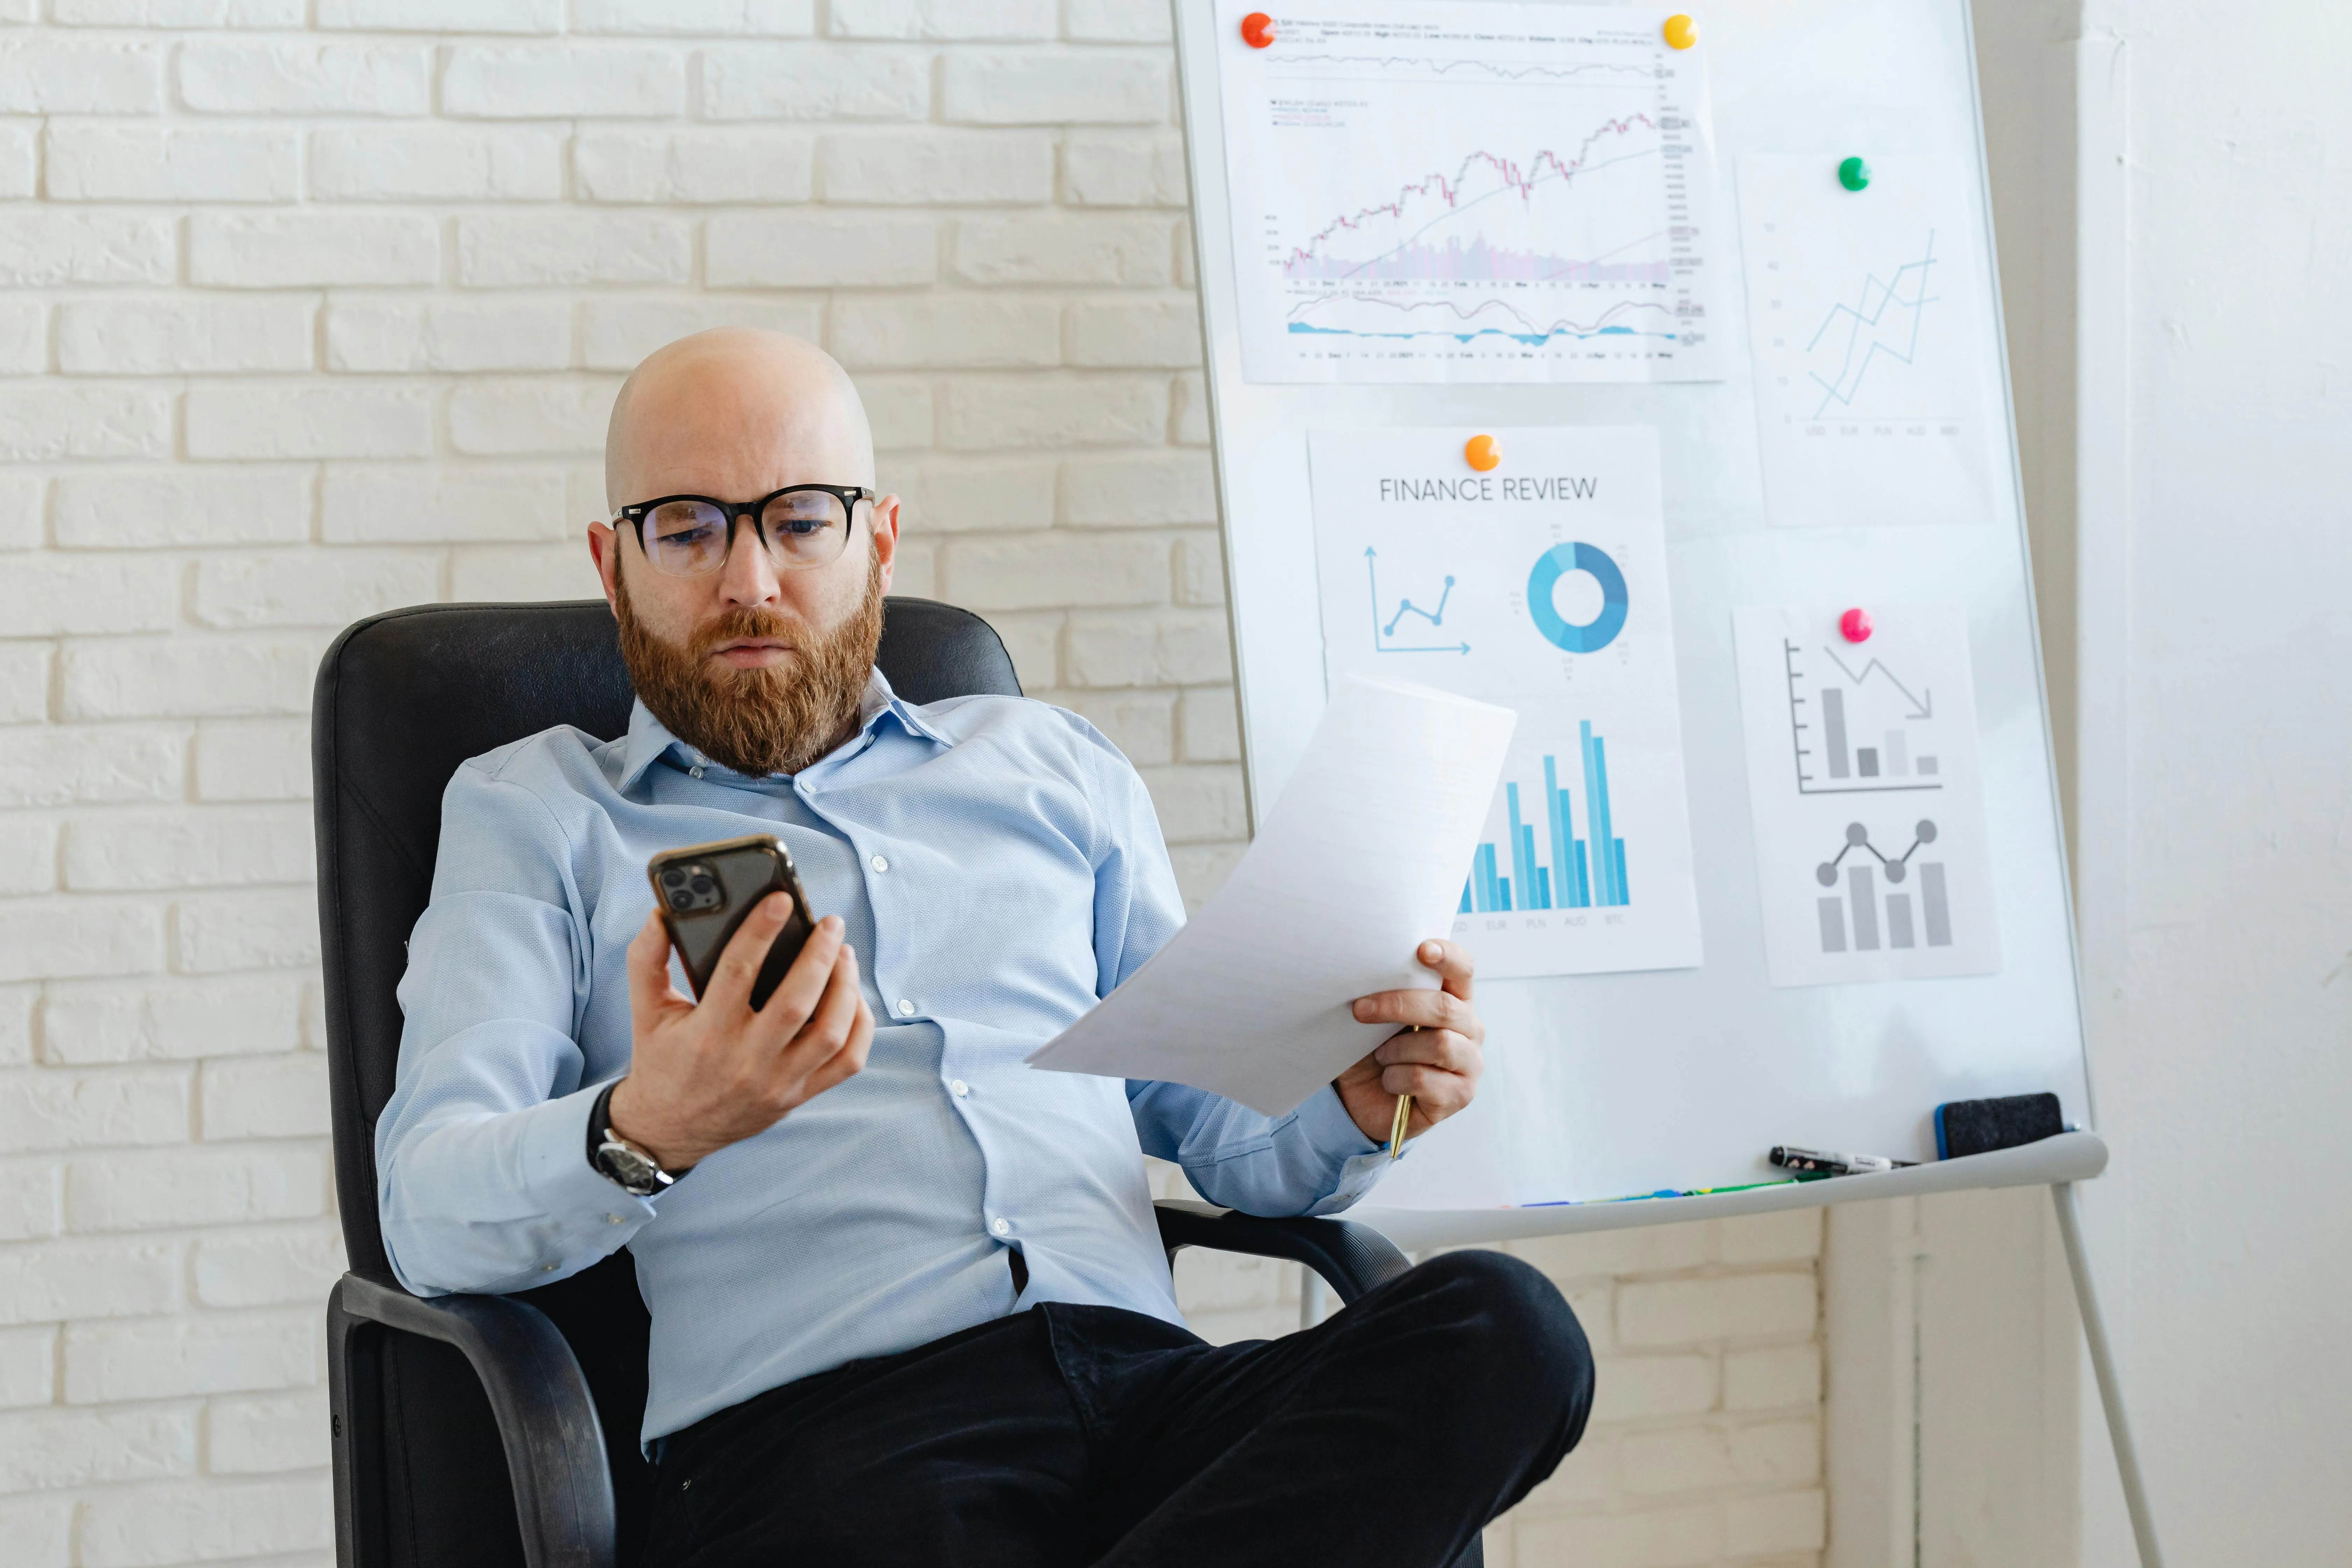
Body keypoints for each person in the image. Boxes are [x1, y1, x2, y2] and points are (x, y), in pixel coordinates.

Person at [374, 328, 1592, 1566]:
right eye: (687, 528)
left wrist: (1343, 1101)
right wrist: (654, 1127)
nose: (749, 579)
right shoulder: (538, 813)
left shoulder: (1049, 767)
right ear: (613, 563)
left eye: (801, 521)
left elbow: (1224, 1133)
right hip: (829, 1447)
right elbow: (430, 1213)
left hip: (1152, 1400)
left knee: (1509, 1330)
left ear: (879, 541)